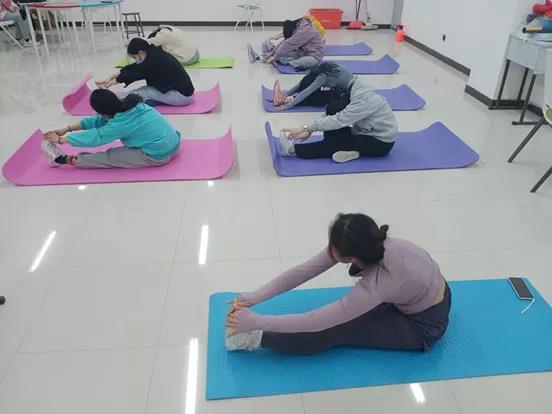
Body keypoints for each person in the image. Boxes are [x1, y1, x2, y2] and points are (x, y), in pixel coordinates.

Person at [225, 213, 452, 355]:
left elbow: (314, 321)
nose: (328, 250)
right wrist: (254, 297)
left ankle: (252, 339)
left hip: (423, 325)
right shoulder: (373, 242)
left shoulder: (376, 285)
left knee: (334, 329)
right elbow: (305, 270)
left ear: (350, 258)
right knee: (345, 315)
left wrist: (256, 322)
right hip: (424, 293)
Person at [40, 89, 181, 169]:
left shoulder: (119, 124)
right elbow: (98, 120)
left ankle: (62, 159)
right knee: (117, 151)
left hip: (159, 155)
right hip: (174, 143)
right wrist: (67, 129)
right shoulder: (128, 104)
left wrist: (61, 140)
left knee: (109, 157)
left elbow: (96, 137)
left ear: (102, 111)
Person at [276, 76, 398, 163]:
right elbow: (331, 117)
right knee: (331, 117)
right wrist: (309, 129)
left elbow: (339, 119)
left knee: (331, 144)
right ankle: (353, 150)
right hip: (363, 133)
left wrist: (307, 128)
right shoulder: (355, 87)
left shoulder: (363, 101)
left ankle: (292, 150)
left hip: (380, 143)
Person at [96, 38, 195, 107]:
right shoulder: (151, 52)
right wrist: (111, 77)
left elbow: (132, 75)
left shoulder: (152, 62)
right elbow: (134, 67)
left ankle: (116, 102)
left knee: (145, 91)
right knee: (146, 91)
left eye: (134, 57)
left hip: (182, 97)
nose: (135, 60)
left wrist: (110, 83)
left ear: (140, 53)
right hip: (183, 92)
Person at [272, 62, 354, 111]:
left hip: (348, 94)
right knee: (309, 86)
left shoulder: (322, 77)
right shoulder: (323, 67)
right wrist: (285, 94)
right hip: (344, 87)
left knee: (315, 97)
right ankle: (283, 99)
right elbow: (301, 84)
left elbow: (306, 92)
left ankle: (287, 100)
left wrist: (286, 106)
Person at [248, 17, 324, 69]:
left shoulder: (305, 30)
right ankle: (258, 57)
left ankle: (288, 62)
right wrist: (272, 53)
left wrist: (275, 56)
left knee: (296, 62)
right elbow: (285, 41)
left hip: (314, 57)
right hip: (301, 54)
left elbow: (289, 43)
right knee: (281, 55)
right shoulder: (298, 27)